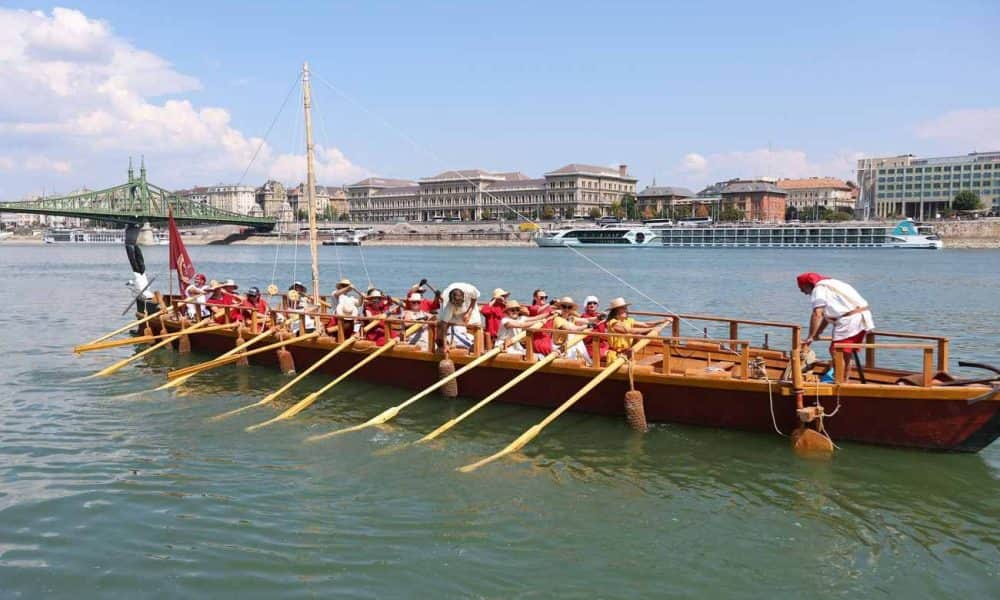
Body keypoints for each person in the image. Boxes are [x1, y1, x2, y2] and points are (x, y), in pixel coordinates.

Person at [797, 272, 874, 381]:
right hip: (862, 317)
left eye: (802, 288)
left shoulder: (819, 288)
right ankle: (844, 380)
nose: (802, 292)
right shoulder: (833, 283)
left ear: (807, 284)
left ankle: (839, 382)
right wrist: (817, 334)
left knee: (836, 351)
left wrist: (810, 336)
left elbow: (817, 314)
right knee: (846, 352)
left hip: (850, 320)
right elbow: (826, 316)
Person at [605, 297, 671, 361]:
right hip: (615, 356)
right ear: (616, 311)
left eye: (626, 308)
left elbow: (646, 324)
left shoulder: (628, 320)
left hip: (627, 354)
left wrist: (663, 321)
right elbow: (628, 330)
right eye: (623, 308)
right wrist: (651, 329)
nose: (626, 310)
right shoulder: (613, 323)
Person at [435, 282, 482, 350]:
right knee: (442, 322)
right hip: (451, 306)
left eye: (459, 302)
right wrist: (445, 345)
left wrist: (469, 312)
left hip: (469, 305)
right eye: (456, 303)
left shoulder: (471, 290)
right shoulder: (447, 302)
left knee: (477, 324)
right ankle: (443, 345)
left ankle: (479, 349)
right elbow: (444, 323)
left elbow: (474, 299)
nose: (458, 305)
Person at [552, 296, 593, 365]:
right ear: (560, 308)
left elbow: (587, 320)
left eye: (569, 307)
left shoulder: (571, 318)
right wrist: (587, 326)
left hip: (571, 346)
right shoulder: (558, 319)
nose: (567, 309)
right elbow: (572, 329)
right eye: (564, 306)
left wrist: (599, 318)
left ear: (571, 309)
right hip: (561, 349)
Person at [580, 295, 609, 363]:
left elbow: (607, 328)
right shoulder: (583, 318)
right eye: (589, 303)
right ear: (586, 305)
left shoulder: (601, 316)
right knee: (611, 355)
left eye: (594, 303)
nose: (592, 305)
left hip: (604, 345)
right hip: (592, 347)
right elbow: (586, 338)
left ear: (597, 305)